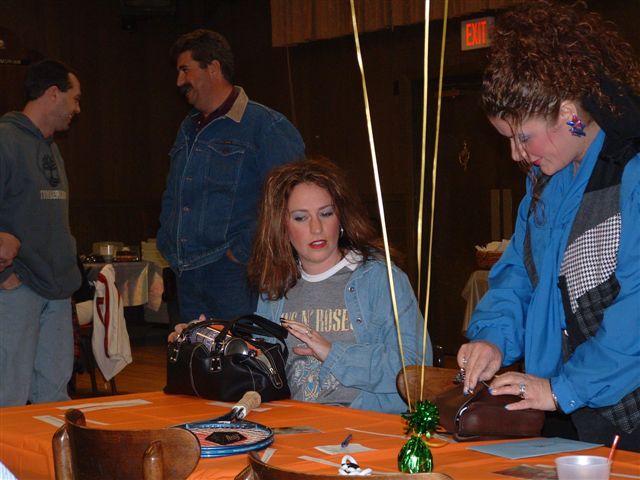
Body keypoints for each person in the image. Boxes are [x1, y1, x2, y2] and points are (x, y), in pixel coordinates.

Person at [457, 0, 640, 451]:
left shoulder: (630, 173)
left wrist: (562, 390)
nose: (517, 154)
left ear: (568, 112)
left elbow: (635, 313)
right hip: (561, 406)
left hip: (624, 412)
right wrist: (492, 339)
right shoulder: (544, 183)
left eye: (523, 137)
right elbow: (518, 276)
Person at [248, 158, 432, 413]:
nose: (316, 228)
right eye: (301, 218)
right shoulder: (275, 287)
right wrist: (212, 342)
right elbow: (261, 373)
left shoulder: (381, 279)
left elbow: (416, 369)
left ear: (341, 217)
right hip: (297, 423)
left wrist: (333, 354)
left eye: (326, 213)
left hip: (366, 422)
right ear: (282, 227)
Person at [157, 29, 305, 324]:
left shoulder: (266, 126)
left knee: (241, 353)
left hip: (236, 275)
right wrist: (166, 241)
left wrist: (240, 252)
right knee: (194, 352)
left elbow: (291, 198)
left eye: (185, 70)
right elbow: (174, 192)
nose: (179, 81)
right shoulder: (188, 128)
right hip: (186, 274)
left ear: (213, 68)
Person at [0, 60, 82, 406]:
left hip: (57, 289)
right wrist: (5, 276)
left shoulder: (51, 147)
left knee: (54, 396)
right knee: (9, 396)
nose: (77, 109)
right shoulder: (6, 139)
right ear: (52, 94)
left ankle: (49, 446)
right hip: (17, 288)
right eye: (75, 98)